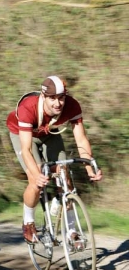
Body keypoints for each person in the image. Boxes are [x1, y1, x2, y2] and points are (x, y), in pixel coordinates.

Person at [6, 76, 103, 243]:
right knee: (36, 181)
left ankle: (72, 231)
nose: (57, 103)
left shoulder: (72, 106)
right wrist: (36, 174)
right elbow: (26, 149)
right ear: (43, 96)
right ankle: (28, 222)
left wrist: (89, 167)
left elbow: (81, 140)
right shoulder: (27, 108)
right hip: (22, 136)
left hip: (48, 134)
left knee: (64, 176)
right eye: (52, 98)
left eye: (61, 98)